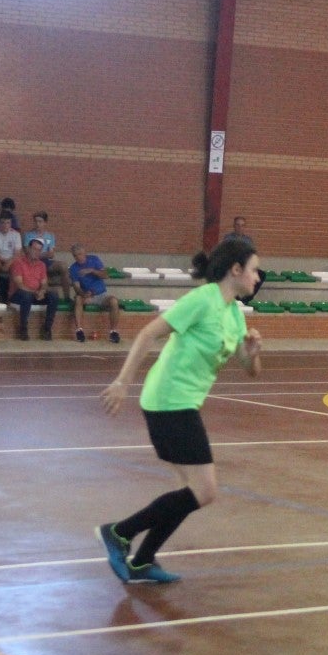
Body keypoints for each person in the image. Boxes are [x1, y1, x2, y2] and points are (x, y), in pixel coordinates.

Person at [96, 239, 264, 584]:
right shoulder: (202, 300)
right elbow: (148, 334)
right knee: (204, 491)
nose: (258, 277)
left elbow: (250, 369)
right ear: (235, 270)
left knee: (188, 492)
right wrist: (123, 382)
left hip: (182, 403)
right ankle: (118, 533)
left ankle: (142, 561)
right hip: (169, 400)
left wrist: (252, 353)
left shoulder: (234, 314)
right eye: (254, 270)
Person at [69, 244, 121, 343]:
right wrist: (84, 294)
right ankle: (79, 330)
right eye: (75, 255)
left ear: (85, 253)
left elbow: (105, 275)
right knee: (78, 299)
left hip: (101, 294)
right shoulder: (73, 268)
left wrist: (92, 270)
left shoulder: (94, 260)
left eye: (80, 254)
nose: (78, 257)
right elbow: (76, 287)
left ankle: (113, 332)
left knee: (114, 301)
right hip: (87, 296)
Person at [9, 238, 59, 341]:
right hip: (18, 294)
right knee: (26, 295)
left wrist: (42, 291)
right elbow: (20, 285)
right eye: (35, 249)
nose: (37, 252)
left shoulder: (42, 265)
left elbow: (44, 283)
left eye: (39, 250)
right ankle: (23, 328)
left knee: (53, 295)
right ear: (28, 249)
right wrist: (36, 292)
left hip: (35, 294)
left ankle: (47, 329)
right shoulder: (18, 263)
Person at [24, 211, 70, 301]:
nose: (37, 224)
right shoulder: (28, 235)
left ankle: (67, 297)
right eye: (36, 221)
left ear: (45, 223)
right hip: (32, 262)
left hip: (46, 262)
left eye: (40, 221)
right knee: (41, 268)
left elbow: (51, 254)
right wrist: (44, 254)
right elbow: (28, 253)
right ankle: (44, 297)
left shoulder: (50, 236)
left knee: (64, 266)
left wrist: (37, 253)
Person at [220, 215, 265, 302]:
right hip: (232, 265)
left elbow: (252, 255)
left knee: (261, 275)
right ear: (234, 226)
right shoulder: (228, 239)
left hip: (245, 266)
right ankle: (235, 297)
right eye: (238, 225)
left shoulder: (248, 240)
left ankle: (246, 298)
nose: (240, 227)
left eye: (242, 225)